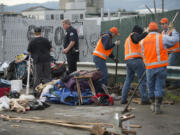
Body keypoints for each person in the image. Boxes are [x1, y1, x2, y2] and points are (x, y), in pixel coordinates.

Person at [140, 22, 179, 114]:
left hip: (149, 67)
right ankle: (157, 106)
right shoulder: (162, 37)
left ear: (149, 30)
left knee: (150, 87)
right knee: (159, 87)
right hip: (161, 67)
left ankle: (153, 104)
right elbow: (175, 40)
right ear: (157, 30)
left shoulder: (143, 41)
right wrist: (174, 31)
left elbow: (142, 54)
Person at [121, 25, 149, 104]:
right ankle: (144, 99)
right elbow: (137, 38)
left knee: (128, 80)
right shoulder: (134, 35)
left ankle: (123, 99)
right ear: (137, 32)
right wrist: (146, 33)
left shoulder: (127, 39)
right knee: (142, 79)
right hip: (136, 60)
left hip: (129, 62)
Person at [27, 27, 53, 96]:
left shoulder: (32, 41)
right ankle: (47, 92)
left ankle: (36, 93)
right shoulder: (46, 40)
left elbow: (29, 52)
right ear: (41, 32)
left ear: (34, 33)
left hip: (37, 60)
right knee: (47, 77)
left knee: (37, 77)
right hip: (47, 60)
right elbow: (51, 49)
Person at [160, 18, 180, 88]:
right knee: (164, 67)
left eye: (163, 24)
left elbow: (176, 39)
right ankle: (167, 82)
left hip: (174, 51)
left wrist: (166, 38)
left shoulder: (173, 31)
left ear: (167, 24)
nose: (162, 25)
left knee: (171, 66)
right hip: (167, 52)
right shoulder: (162, 32)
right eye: (161, 24)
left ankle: (176, 84)